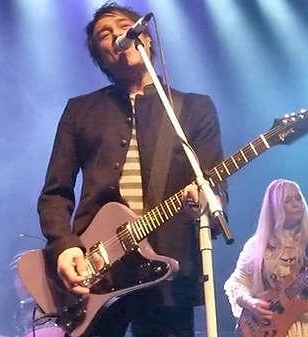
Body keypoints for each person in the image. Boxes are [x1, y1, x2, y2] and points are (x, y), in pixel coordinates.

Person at [37, 2, 227, 337]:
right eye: (103, 36)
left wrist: (211, 202)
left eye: (123, 27)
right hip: (95, 269)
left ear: (146, 39)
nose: (115, 38)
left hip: (169, 270)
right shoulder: (81, 110)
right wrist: (65, 246)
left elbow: (214, 180)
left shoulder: (194, 107)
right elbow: (55, 193)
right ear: (101, 57)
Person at [223, 180, 308, 337]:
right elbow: (237, 282)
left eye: (298, 198)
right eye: (287, 200)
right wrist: (251, 303)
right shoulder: (256, 246)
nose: (296, 204)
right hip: (272, 328)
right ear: (274, 208)